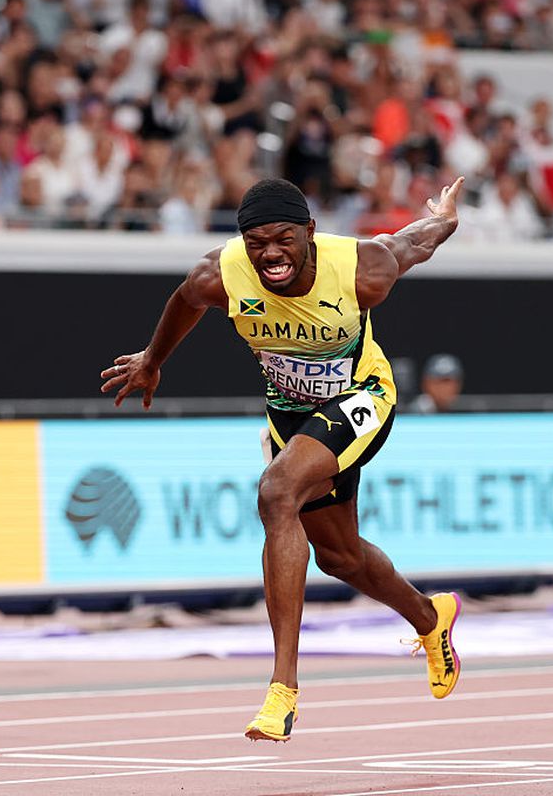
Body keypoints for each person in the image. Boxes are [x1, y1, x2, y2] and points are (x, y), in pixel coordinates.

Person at [101, 177, 467, 742]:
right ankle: (429, 616)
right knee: (339, 557)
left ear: (310, 233)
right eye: (257, 243)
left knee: (276, 492)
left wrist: (443, 218)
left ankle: (282, 690)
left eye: (283, 240)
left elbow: (413, 242)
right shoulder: (221, 273)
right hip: (290, 416)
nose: (270, 254)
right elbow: (185, 301)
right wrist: (152, 360)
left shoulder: (362, 270)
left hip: (361, 398)